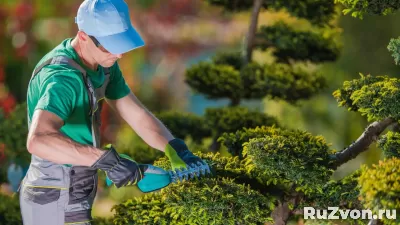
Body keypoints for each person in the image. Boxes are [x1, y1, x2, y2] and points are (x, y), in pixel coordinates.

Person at [19, 0, 206, 224]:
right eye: (109, 45)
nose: (118, 54)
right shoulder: (62, 80)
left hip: (78, 184)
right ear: (83, 36)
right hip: (51, 192)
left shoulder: (103, 65)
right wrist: (107, 161)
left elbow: (135, 113)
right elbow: (38, 140)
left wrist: (173, 147)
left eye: (120, 44)